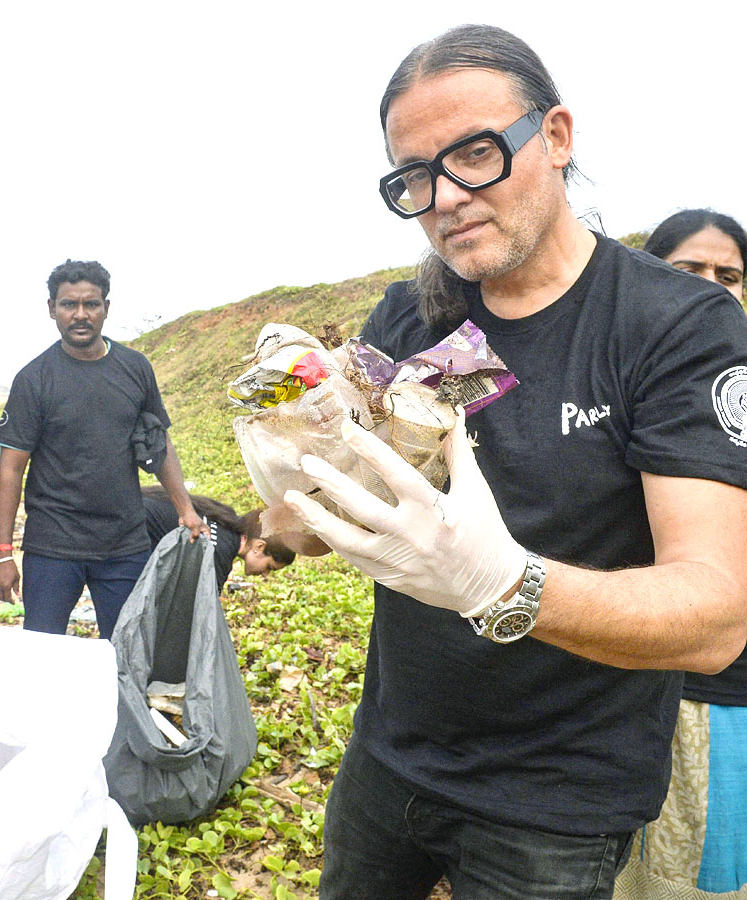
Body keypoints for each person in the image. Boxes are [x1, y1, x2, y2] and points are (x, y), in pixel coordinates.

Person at [277, 26, 747, 900]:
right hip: (390, 757)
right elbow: (317, 525)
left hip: (556, 801)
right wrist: (295, 474)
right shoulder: (410, 319)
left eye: (476, 154)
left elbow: (716, 614)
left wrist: (506, 584)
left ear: (557, 138)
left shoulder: (673, 327)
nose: (445, 197)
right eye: (413, 176)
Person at [612, 210, 747, 900]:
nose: (712, 288)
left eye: (729, 275)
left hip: (723, 693)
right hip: (630, 676)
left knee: (696, 877)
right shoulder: (625, 371)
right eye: (689, 269)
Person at [0, 259, 207, 639]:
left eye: (91, 304)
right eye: (68, 304)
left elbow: (161, 442)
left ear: (107, 307)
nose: (80, 315)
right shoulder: (34, 380)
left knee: (125, 654)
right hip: (53, 545)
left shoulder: (135, 368)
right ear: (51, 309)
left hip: (123, 543)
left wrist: (185, 509)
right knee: (41, 651)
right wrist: (3, 552)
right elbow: (10, 470)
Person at [141, 484, 294, 592]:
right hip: (129, 533)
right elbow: (204, 619)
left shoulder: (225, 517)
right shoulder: (220, 557)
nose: (265, 574)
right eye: (269, 567)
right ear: (259, 546)